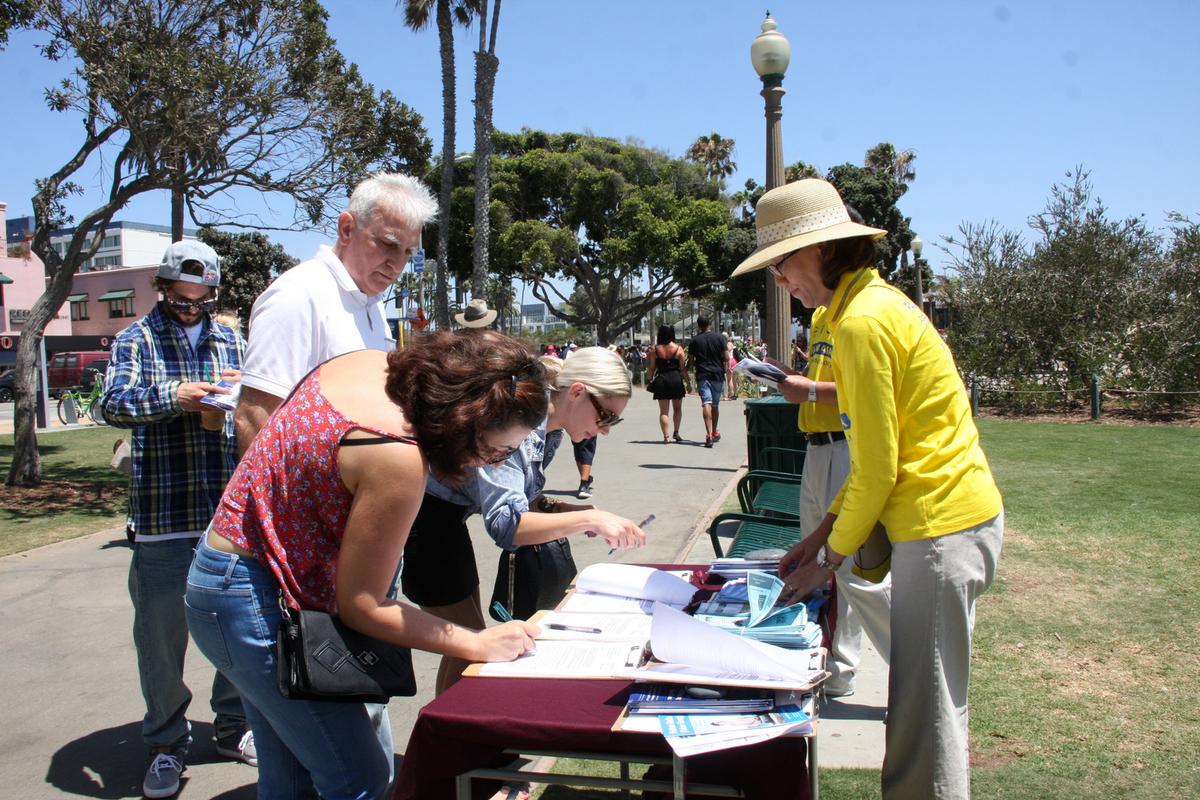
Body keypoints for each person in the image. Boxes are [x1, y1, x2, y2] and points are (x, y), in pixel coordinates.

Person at [732, 178, 1003, 799]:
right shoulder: (858, 311)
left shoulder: (861, 322)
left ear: (822, 251)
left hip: (941, 526)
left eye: (782, 261)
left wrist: (826, 559)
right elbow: (875, 459)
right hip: (940, 521)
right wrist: (825, 535)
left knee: (924, 717)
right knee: (918, 706)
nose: (779, 279)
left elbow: (879, 469)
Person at [185, 332, 545, 799]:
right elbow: (363, 605)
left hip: (228, 580)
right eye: (496, 451)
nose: (493, 463)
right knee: (360, 778)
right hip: (251, 602)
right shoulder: (396, 454)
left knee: (291, 781)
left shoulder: (370, 364)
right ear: (460, 422)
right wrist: (477, 642)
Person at [98, 240, 252, 799]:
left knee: (237, 628)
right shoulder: (133, 339)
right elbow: (112, 404)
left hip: (226, 511)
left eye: (200, 300)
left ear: (212, 295)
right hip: (164, 513)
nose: (190, 308)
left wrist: (232, 398)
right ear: (163, 290)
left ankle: (234, 728)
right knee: (161, 638)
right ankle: (166, 744)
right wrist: (176, 395)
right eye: (180, 299)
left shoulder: (231, 337)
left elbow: (257, 401)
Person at [403, 346, 647, 694]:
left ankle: (451, 733)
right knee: (470, 643)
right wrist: (586, 522)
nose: (605, 430)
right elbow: (508, 526)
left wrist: (583, 515)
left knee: (466, 643)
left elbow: (525, 501)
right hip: (424, 521)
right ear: (577, 392)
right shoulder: (520, 421)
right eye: (605, 416)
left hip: (446, 522)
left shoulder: (550, 430)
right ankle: (447, 737)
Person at [234, 172, 435, 456]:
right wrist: (287, 501)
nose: (397, 264)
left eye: (407, 251)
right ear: (347, 229)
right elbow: (255, 416)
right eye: (389, 245)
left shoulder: (371, 301)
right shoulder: (298, 295)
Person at [686, 316, 728, 448]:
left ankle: (708, 434)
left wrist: (685, 369)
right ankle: (715, 431)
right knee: (715, 405)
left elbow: (691, 361)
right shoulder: (721, 338)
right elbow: (726, 357)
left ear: (698, 326)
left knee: (706, 403)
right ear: (710, 323)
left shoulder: (694, 341)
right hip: (717, 374)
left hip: (702, 374)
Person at [646, 324, 686, 443]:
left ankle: (666, 437)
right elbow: (682, 368)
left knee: (664, 411)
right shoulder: (678, 348)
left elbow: (652, 367)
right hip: (676, 379)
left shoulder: (655, 349)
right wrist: (688, 383)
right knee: (677, 408)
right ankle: (676, 432)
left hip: (661, 379)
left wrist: (650, 380)